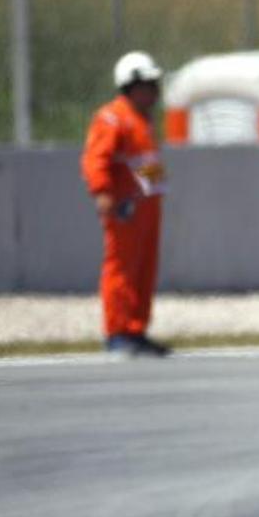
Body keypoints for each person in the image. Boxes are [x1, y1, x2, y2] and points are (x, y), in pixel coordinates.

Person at [81, 51, 169, 357]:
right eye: (149, 85)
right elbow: (95, 159)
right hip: (124, 209)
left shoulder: (142, 120)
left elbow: (145, 163)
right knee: (121, 269)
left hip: (147, 209)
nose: (155, 91)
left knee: (144, 270)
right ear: (131, 86)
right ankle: (118, 332)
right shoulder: (112, 117)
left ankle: (136, 330)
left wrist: (155, 194)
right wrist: (102, 192)